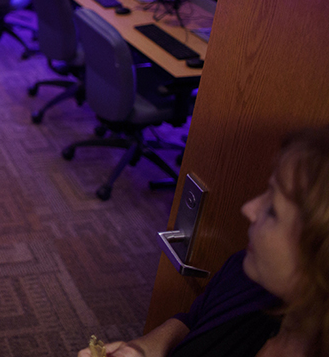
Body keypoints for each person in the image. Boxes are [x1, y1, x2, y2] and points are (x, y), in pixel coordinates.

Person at [78, 127, 329, 357]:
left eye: (273, 209)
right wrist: (145, 347)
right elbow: (194, 320)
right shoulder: (246, 273)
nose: (249, 209)